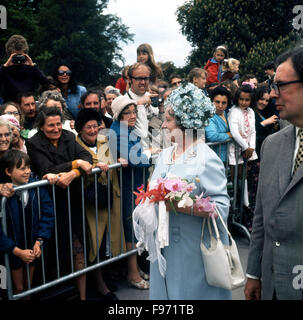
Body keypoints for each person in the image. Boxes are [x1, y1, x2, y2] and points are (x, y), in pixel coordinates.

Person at [147, 82, 231, 300]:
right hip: (164, 247)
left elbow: (221, 209)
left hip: (192, 250)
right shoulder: (166, 155)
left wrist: (180, 205)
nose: (164, 126)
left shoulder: (206, 158)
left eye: (168, 120)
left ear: (185, 121)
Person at [245, 45, 303, 300]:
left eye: (280, 85)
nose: (271, 94)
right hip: (272, 288)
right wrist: (254, 274)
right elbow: (261, 217)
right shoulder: (272, 144)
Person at [26, 107, 93, 300]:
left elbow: (87, 157)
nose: (56, 129)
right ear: (41, 126)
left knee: (78, 246)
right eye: (51, 125)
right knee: (52, 251)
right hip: (49, 204)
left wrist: (74, 173)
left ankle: (82, 296)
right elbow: (47, 169)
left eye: (58, 124)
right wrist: (76, 164)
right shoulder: (34, 143)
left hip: (73, 201)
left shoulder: (69, 136)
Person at [74, 108, 125, 300]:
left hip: (109, 197)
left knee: (108, 241)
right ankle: (99, 285)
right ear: (80, 129)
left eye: (96, 126)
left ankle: (103, 278)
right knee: (95, 242)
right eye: (89, 127)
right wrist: (94, 168)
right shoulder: (76, 145)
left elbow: (112, 162)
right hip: (89, 202)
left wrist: (118, 160)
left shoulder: (104, 141)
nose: (94, 130)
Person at [109, 95, 158, 289]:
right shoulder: (117, 131)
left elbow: (135, 158)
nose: (132, 115)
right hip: (126, 187)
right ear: (117, 114)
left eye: (133, 111)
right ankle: (132, 273)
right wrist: (149, 153)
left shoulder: (128, 129)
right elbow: (135, 159)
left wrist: (143, 155)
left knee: (136, 228)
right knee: (130, 229)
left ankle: (135, 268)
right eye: (126, 112)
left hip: (136, 184)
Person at [0, 150, 55, 296]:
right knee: (15, 289)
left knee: (28, 288)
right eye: (22, 168)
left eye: (28, 167)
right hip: (10, 251)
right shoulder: (3, 195)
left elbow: (48, 214)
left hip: (31, 247)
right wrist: (17, 252)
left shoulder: (37, 186)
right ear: (8, 171)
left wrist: (39, 241)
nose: (27, 172)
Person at [0, 34, 50, 103]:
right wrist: (5, 66)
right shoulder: (4, 69)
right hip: (11, 105)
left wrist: (32, 66)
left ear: (25, 54)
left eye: (20, 55)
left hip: (28, 104)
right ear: (9, 54)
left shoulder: (31, 69)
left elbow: (46, 82)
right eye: (15, 55)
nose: (18, 59)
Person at [126, 62, 161, 148]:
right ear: (129, 79)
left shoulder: (153, 97)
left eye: (146, 78)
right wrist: (139, 104)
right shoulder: (123, 101)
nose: (143, 82)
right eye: (139, 78)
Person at [205, 86, 232, 163]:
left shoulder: (227, 113)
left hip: (228, 157)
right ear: (211, 101)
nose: (220, 106)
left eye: (224, 103)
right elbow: (212, 136)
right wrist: (229, 135)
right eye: (217, 102)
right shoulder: (209, 116)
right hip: (215, 159)